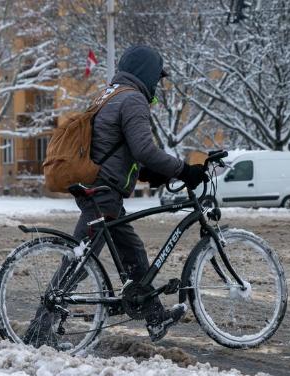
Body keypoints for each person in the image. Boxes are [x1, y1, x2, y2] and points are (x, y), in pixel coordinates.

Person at [24, 45, 207, 348]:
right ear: (147, 74)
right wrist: (184, 170)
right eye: (157, 79)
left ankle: (154, 315)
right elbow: (144, 150)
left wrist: (151, 174)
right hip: (102, 192)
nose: (157, 85)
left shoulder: (109, 95)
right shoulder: (133, 99)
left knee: (132, 251)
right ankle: (38, 334)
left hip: (101, 189)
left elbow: (116, 148)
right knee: (78, 262)